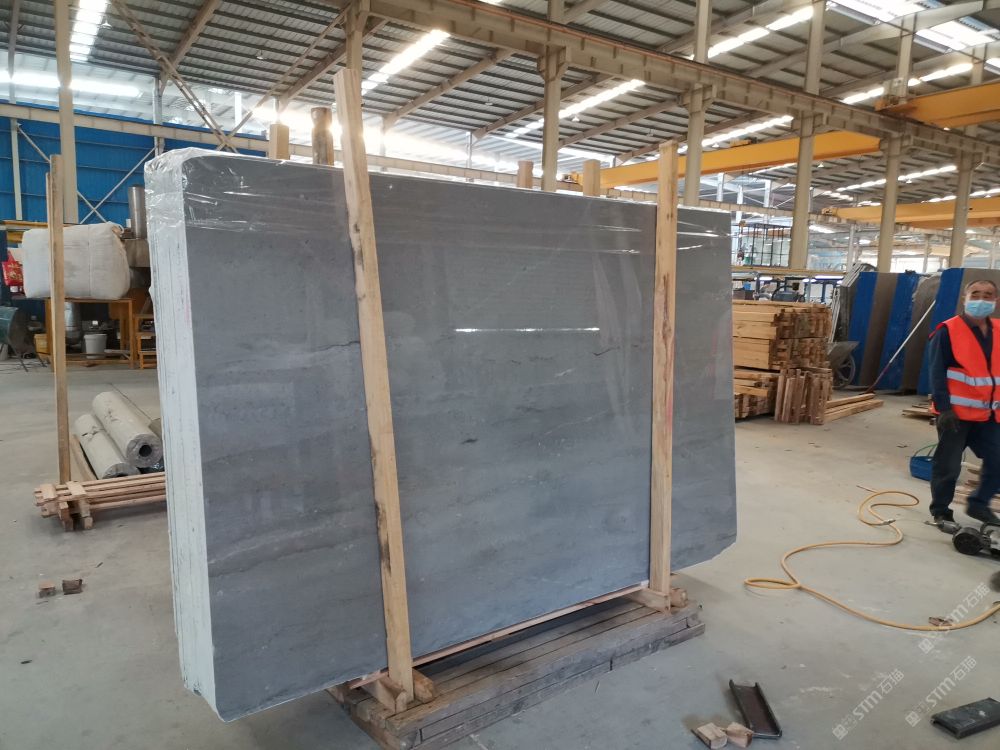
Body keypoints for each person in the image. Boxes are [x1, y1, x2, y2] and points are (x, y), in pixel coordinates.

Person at [928, 278, 1000, 526]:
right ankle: (940, 511)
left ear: (996, 300)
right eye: (975, 294)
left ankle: (979, 504)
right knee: (948, 466)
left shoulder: (999, 330)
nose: (981, 299)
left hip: (990, 415)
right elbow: (936, 372)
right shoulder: (948, 330)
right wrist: (944, 408)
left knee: (997, 460)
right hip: (956, 414)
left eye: (987, 295)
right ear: (965, 298)